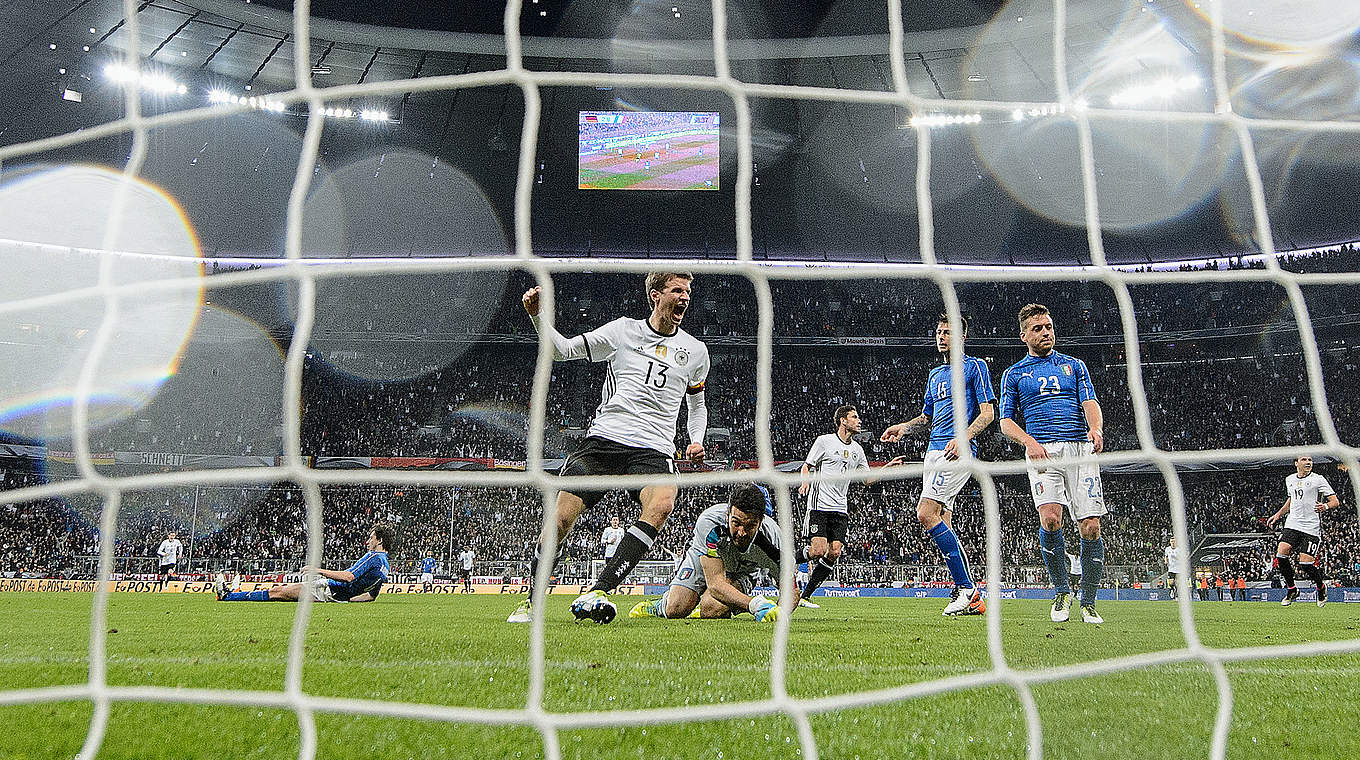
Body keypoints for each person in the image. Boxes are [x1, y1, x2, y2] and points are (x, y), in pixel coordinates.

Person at [509, 272, 710, 624]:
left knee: (662, 504)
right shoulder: (622, 331)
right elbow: (563, 351)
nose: (685, 297)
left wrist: (696, 439)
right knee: (560, 518)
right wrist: (538, 316)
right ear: (655, 295)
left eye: (688, 291)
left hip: (653, 448)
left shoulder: (695, 352)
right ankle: (531, 600)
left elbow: (697, 406)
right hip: (604, 439)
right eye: (677, 290)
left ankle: (599, 590)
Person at [999, 303, 1108, 624]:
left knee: (1091, 526)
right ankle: (1062, 591)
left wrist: (1096, 428)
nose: (1045, 332)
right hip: (1042, 451)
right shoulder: (1014, 374)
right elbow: (1005, 421)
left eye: (1048, 327)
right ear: (1023, 335)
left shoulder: (1075, 366)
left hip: (1079, 450)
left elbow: (1090, 401)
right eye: (1037, 328)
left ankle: (1088, 600)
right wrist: (1029, 442)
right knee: (1050, 520)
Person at [880, 313, 995, 617]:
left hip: (957, 452)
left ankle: (968, 590)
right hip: (934, 452)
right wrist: (903, 427)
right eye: (939, 332)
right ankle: (968, 595)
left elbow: (987, 414)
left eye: (948, 332)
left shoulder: (976, 367)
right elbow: (927, 418)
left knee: (925, 513)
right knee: (944, 519)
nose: (942, 337)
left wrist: (964, 436)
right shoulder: (934, 375)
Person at [798, 405, 904, 604]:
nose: (859, 421)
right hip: (819, 504)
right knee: (817, 551)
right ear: (843, 421)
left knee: (834, 552)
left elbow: (867, 479)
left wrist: (888, 467)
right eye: (854, 417)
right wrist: (805, 481)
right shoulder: (824, 441)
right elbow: (807, 465)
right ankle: (786, 560)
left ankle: (806, 596)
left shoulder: (857, 450)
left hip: (840, 507)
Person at [628, 483, 781, 622]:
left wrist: (780, 613)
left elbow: (790, 586)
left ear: (761, 521)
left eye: (750, 525)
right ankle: (661, 604)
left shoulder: (773, 537)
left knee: (712, 608)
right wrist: (754, 604)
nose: (741, 532)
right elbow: (715, 584)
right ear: (727, 515)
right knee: (676, 609)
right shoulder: (710, 522)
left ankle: (704, 608)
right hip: (706, 561)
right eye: (736, 523)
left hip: (742, 571)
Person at [215, 525, 393, 603]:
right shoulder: (385, 566)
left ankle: (228, 595)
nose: (368, 540)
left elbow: (348, 576)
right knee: (281, 593)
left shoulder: (373, 557)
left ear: (380, 540)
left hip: (329, 589)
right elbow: (370, 596)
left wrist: (317, 570)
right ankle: (234, 594)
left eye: (371, 537)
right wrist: (346, 600)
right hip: (334, 595)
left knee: (278, 592)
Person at [1267, 454, 1340, 607]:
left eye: (1310, 460)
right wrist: (1278, 514)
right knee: (1281, 553)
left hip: (1310, 527)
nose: (1308, 462)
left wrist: (1325, 506)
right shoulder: (1290, 479)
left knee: (1305, 564)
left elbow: (1335, 501)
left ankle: (1321, 587)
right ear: (1296, 463)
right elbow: (1291, 500)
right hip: (1293, 523)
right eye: (1304, 460)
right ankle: (1292, 589)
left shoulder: (1318, 479)